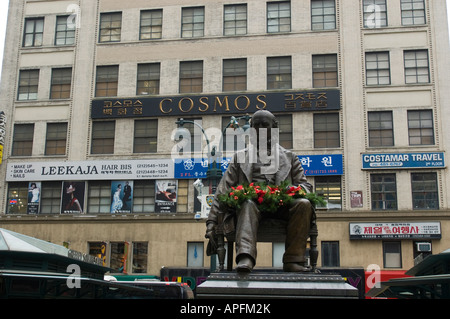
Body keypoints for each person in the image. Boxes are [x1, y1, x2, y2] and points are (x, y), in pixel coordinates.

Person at [206, 110, 314, 273]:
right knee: (247, 202)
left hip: (282, 206)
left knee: (304, 204)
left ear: (274, 127)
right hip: (250, 207)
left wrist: (287, 192)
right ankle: (245, 257)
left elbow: (305, 186)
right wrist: (211, 222)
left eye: (265, 125)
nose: (260, 129)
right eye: (256, 125)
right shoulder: (239, 157)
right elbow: (223, 190)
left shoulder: (290, 157)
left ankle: (293, 260)